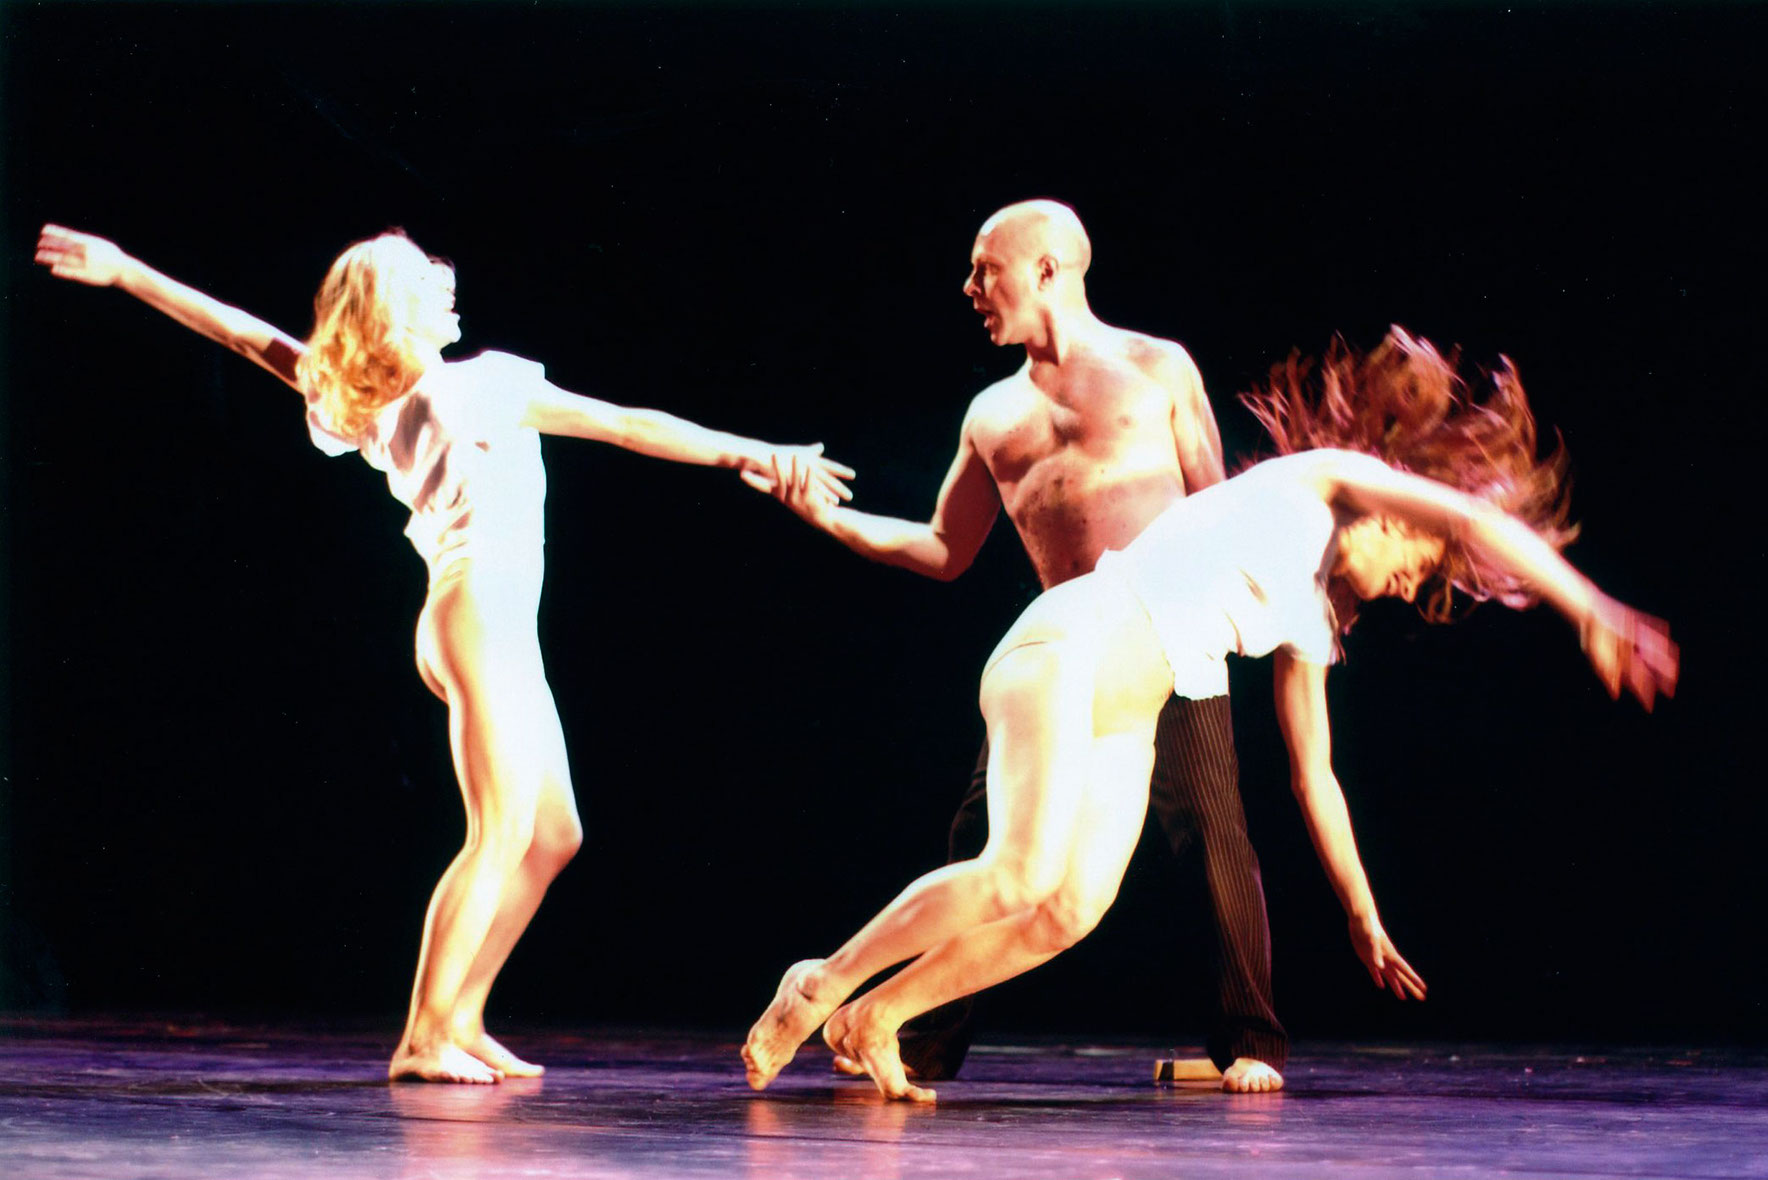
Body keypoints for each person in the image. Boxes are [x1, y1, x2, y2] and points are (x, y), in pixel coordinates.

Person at [743, 326, 1677, 1102]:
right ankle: (822, 981)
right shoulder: (1317, 480)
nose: (1402, 588)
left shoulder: (1309, 618)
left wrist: (1362, 915)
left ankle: (882, 1014)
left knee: (1070, 908)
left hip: (1126, 715)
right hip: (1066, 647)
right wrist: (1592, 608)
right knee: (1016, 871)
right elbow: (1474, 521)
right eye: (1413, 568)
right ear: (1396, 519)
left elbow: (1316, 774)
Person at [35, 223, 852, 1084]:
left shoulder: (363, 402)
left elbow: (246, 335)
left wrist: (127, 272)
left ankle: (461, 1018)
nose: (449, 286)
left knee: (552, 835)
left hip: (484, 619)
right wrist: (756, 452)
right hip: (478, 613)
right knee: (499, 832)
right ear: (395, 312)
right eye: (431, 284)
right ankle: (422, 1037)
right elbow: (623, 424)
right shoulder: (483, 383)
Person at [767, 199, 1288, 1091]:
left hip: (1173, 641)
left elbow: (1217, 506)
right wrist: (831, 520)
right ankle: (918, 1036)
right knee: (983, 840)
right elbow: (945, 548)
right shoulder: (992, 414)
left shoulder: (1159, 369)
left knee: (1211, 830)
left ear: (1047, 269)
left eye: (986, 268)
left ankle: (1251, 1042)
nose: (971, 287)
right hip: (1065, 658)